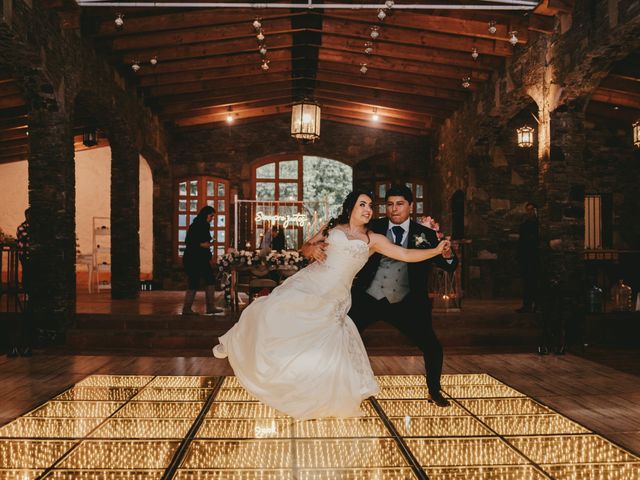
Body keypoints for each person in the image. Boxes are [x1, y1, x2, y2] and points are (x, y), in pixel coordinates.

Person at [212, 191, 449, 419]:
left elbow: (406, 254)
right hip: (310, 282)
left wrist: (437, 250)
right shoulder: (332, 228)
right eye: (362, 205)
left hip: (335, 295)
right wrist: (311, 249)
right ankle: (243, 345)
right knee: (273, 311)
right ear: (351, 208)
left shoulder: (374, 239)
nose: (368, 210)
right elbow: (304, 248)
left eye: (370, 206)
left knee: (322, 342)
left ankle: (311, 391)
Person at [304, 184, 457, 407]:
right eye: (390, 204)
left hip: (407, 302)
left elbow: (449, 265)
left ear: (411, 206)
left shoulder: (426, 234)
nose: (394, 209)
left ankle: (434, 391)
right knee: (339, 337)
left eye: (400, 204)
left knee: (432, 346)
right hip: (369, 297)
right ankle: (338, 388)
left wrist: (447, 253)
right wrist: (313, 248)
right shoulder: (371, 227)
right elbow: (338, 236)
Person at [182, 206, 223, 316]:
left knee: (209, 279)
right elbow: (189, 241)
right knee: (194, 282)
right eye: (211, 216)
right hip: (194, 259)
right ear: (205, 215)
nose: (212, 218)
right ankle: (187, 308)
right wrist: (201, 244)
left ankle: (210, 306)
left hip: (202, 258)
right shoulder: (196, 226)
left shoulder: (205, 226)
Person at [8, 208, 33, 357]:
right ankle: (27, 293)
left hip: (28, 257)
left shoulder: (23, 228)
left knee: (28, 277)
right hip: (27, 257)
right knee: (27, 275)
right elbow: (26, 240)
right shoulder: (23, 228)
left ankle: (28, 293)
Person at [516, 202, 539, 313]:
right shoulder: (524, 225)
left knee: (536, 282)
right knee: (527, 282)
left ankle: (536, 305)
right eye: (528, 210)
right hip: (527, 257)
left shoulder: (538, 225)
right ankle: (527, 305)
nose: (530, 212)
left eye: (531, 209)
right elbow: (522, 242)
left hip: (535, 257)